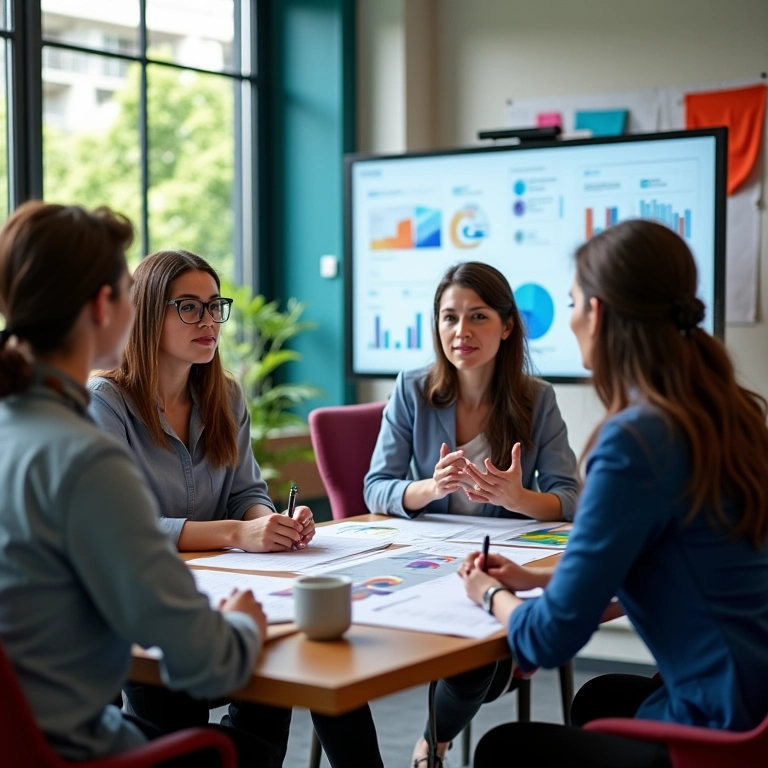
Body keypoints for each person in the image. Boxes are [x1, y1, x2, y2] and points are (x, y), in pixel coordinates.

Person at [460, 219, 768, 768]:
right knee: (599, 699)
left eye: (573, 302)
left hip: (716, 721)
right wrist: (535, 578)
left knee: (505, 749)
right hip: (753, 698)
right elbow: (670, 557)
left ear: (596, 314)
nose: (571, 317)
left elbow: (545, 641)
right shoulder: (731, 413)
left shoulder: (634, 441)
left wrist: (487, 593)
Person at [0, 202, 274, 766]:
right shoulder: (84, 454)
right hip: (81, 748)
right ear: (107, 306)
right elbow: (204, 662)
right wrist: (246, 626)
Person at [88, 249, 382, 768]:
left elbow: (248, 493)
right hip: (146, 607)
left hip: (224, 590)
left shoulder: (225, 396)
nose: (208, 321)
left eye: (213, 306)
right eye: (188, 307)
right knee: (186, 707)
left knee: (290, 666)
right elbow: (119, 531)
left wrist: (267, 523)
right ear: (147, 312)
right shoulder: (107, 402)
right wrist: (236, 534)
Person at [362, 261, 579, 765]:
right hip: (425, 559)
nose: (461, 332)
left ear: (506, 327)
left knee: (475, 646)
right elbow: (377, 488)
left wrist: (518, 498)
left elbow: (569, 498)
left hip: (495, 563)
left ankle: (429, 745)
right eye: (449, 317)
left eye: (478, 317)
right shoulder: (413, 389)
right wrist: (427, 487)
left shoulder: (535, 399)